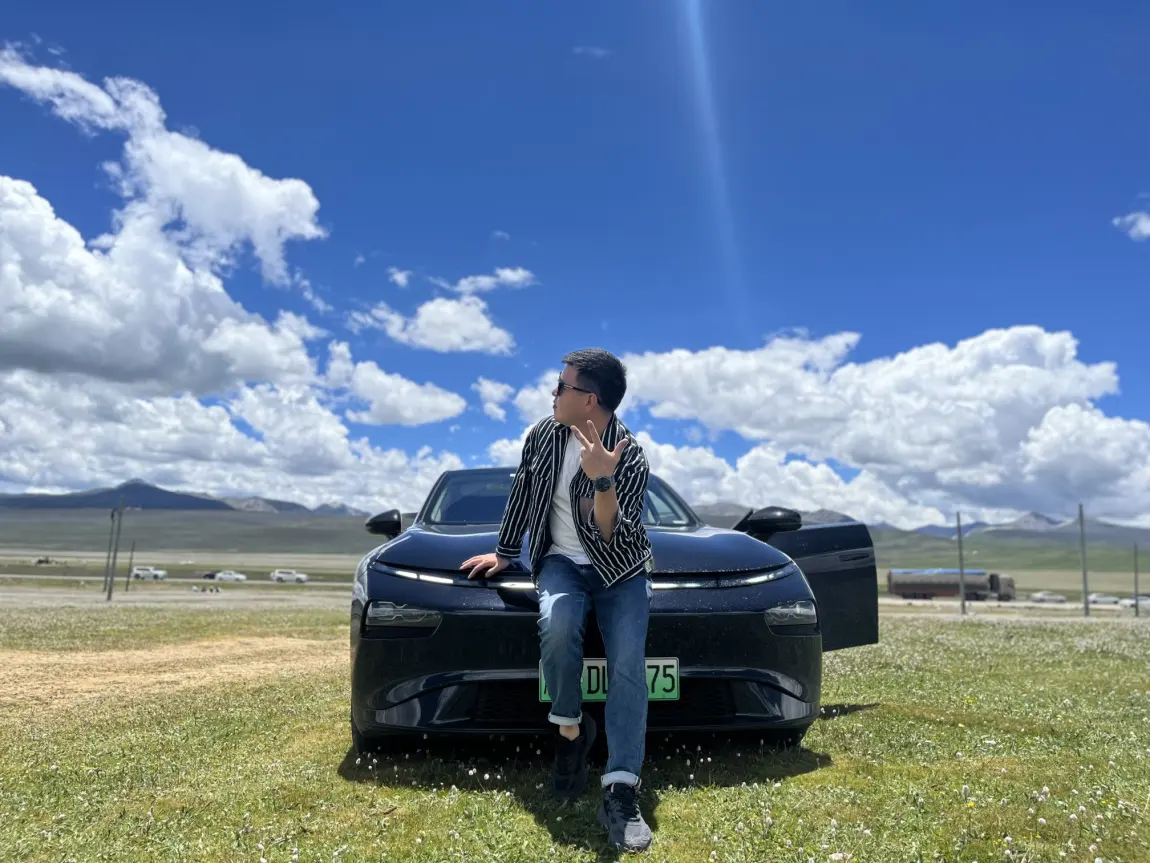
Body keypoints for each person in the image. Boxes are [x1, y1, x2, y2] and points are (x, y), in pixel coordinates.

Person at [460, 348, 655, 853]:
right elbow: (523, 494)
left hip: (620, 569)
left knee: (628, 664)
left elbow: (611, 535)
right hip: (561, 561)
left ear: (589, 399)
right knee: (559, 621)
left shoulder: (630, 454)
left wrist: (602, 477)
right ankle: (570, 733)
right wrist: (506, 552)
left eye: (562, 386)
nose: (553, 392)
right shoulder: (541, 436)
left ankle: (620, 788)